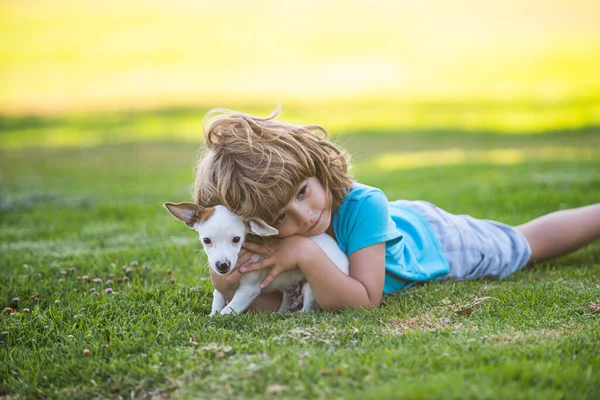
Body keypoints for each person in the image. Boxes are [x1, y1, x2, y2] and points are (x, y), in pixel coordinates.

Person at [193, 108, 600, 311]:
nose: (304, 218)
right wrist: (227, 271)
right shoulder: (265, 237)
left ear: (315, 166)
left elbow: (365, 298)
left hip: (436, 240)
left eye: (303, 192)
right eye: (280, 217)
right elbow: (257, 297)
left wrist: (304, 252)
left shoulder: (364, 204)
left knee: (522, 244)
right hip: (393, 224)